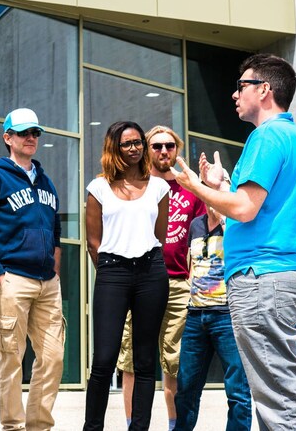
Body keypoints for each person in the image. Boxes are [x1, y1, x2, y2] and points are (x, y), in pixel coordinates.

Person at [171, 53, 296, 430]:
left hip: (261, 279)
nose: (235, 94)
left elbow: (244, 209)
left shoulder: (266, 136)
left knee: (281, 398)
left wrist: (195, 187)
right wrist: (221, 185)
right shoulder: (293, 138)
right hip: (278, 276)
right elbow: (256, 205)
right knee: (282, 392)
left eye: (242, 86)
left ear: (265, 90)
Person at [0, 108, 64, 431]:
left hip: (46, 282)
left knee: (52, 357)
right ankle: (13, 426)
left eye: (35, 133)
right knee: (11, 357)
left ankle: (38, 425)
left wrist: (54, 269)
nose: (31, 138)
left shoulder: (46, 180)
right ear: (7, 137)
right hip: (11, 277)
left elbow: (55, 230)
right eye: (24, 133)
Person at [116, 126, 206, 430]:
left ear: (177, 149)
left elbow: (204, 238)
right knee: (131, 361)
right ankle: (133, 425)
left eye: (170, 146)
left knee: (175, 363)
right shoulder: (136, 187)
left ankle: (174, 425)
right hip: (138, 279)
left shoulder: (191, 191)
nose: (163, 151)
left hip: (179, 283)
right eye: (156, 146)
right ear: (147, 150)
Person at [83, 121, 170, 431]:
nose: (134, 148)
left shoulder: (160, 187)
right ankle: (92, 427)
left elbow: (158, 235)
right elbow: (93, 242)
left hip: (151, 273)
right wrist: (110, 270)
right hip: (112, 273)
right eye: (126, 143)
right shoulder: (98, 187)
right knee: (104, 359)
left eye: (137, 143)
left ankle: (139, 427)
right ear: (114, 149)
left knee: (145, 360)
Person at [173, 206, 251, 431]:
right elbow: (191, 265)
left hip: (226, 313)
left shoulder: (235, 224)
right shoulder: (196, 225)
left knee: (237, 389)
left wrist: (223, 219)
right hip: (196, 314)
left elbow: (239, 252)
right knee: (186, 386)